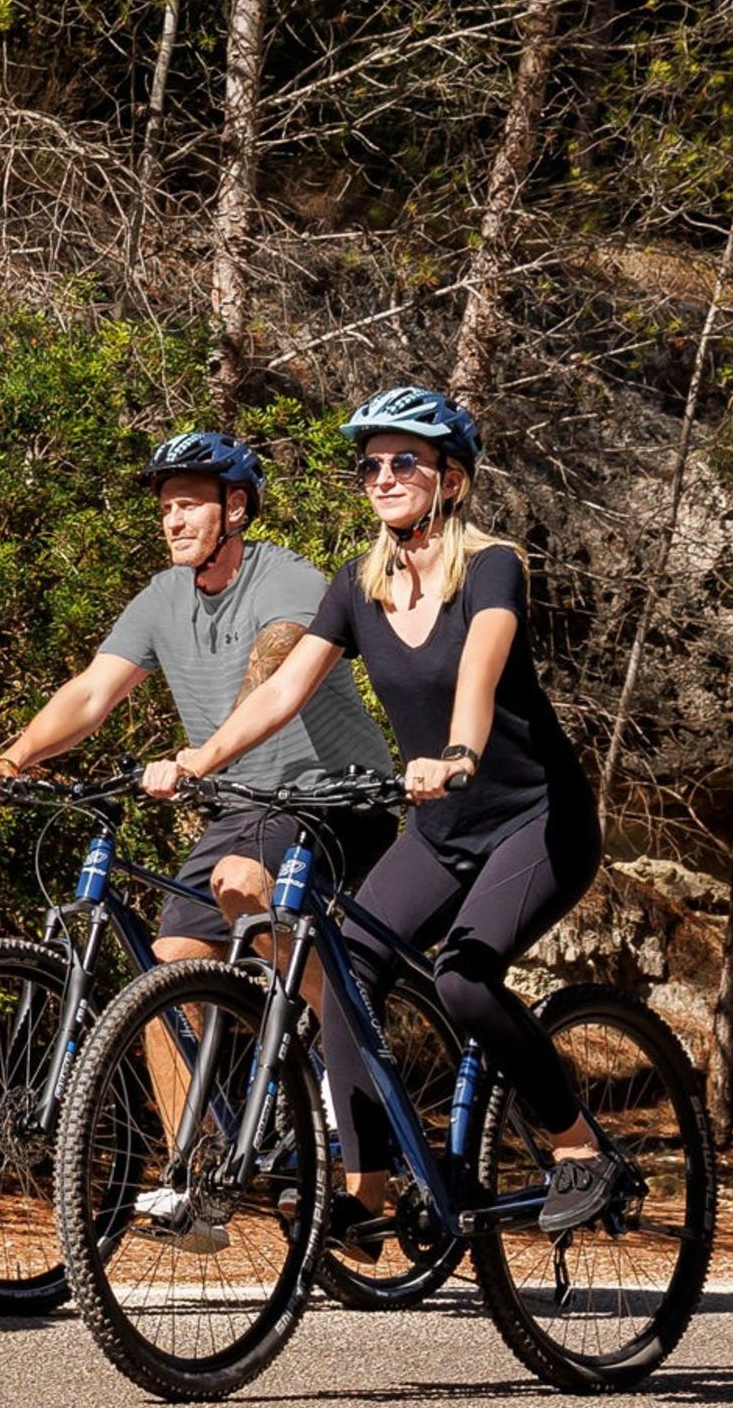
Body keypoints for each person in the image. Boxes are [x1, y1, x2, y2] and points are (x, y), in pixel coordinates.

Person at [146, 386, 623, 1238]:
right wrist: (199, 759)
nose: (385, 476)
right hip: (439, 829)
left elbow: (478, 673)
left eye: (406, 460)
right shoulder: (357, 586)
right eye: (371, 465)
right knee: (349, 972)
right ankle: (366, 1190)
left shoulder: (492, 566)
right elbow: (287, 690)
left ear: (454, 479)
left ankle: (579, 1146)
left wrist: (461, 755)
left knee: (464, 979)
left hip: (534, 818)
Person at [0, 430, 399, 1253]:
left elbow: (274, 670)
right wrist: (15, 755)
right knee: (171, 959)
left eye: (189, 503)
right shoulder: (162, 597)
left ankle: (344, 1047)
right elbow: (95, 690)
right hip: (242, 805)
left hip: (332, 797)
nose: (172, 520)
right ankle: (194, 1173)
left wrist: (198, 758)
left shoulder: (289, 579)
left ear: (236, 508)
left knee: (241, 883)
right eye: (165, 507)